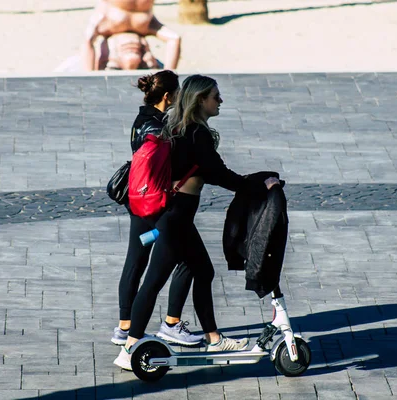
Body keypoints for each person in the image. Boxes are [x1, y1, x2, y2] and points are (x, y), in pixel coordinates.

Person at [114, 74, 280, 370]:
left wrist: (253, 181)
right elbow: (219, 174)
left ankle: (213, 339)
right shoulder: (195, 133)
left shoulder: (177, 128)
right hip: (174, 218)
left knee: (202, 270)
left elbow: (214, 172)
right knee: (154, 280)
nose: (220, 101)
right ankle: (130, 347)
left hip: (174, 216)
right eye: (216, 96)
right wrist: (258, 183)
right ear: (201, 100)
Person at [112, 70, 204, 350]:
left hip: (137, 201)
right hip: (158, 206)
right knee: (187, 259)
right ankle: (172, 324)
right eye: (177, 94)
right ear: (168, 96)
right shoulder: (162, 127)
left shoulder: (141, 120)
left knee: (136, 259)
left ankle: (124, 326)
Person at [81, 0, 181, 71]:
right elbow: (88, 40)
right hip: (112, 19)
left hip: (143, 21)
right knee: (88, 37)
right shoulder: (104, 21)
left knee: (175, 38)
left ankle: (168, 77)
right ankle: (89, 77)